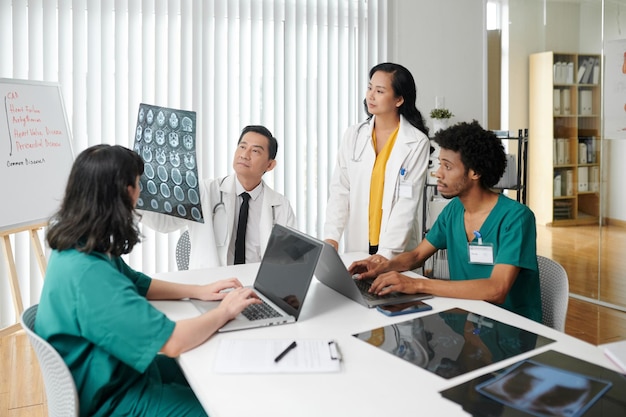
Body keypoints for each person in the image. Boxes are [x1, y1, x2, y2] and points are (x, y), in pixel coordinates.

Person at [36, 144, 262, 417]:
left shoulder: (80, 247)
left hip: (117, 370)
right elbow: (173, 341)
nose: (140, 192)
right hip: (113, 399)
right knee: (223, 405)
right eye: (137, 184)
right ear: (122, 193)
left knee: (214, 370)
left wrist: (198, 291)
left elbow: (138, 282)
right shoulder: (89, 276)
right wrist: (225, 311)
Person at [349, 120, 542, 323]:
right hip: (468, 318)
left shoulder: (516, 218)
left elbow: (496, 289)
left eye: (448, 167)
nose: (438, 173)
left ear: (475, 172)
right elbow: (416, 256)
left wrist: (417, 285)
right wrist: (383, 266)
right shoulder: (454, 210)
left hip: (510, 329)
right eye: (440, 164)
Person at [142, 125, 296, 269]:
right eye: (242, 147)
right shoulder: (205, 191)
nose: (244, 154)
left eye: (255, 151)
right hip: (211, 289)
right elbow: (162, 223)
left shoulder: (281, 206)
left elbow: (287, 261)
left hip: (255, 290)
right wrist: (136, 192)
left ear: (270, 165)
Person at [323, 62, 430, 259]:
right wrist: (331, 237)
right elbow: (340, 190)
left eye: (380, 91)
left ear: (398, 99)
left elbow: (407, 203)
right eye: (370, 87)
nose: (370, 95)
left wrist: (386, 254)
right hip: (358, 243)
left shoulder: (416, 142)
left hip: (395, 248)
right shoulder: (354, 135)